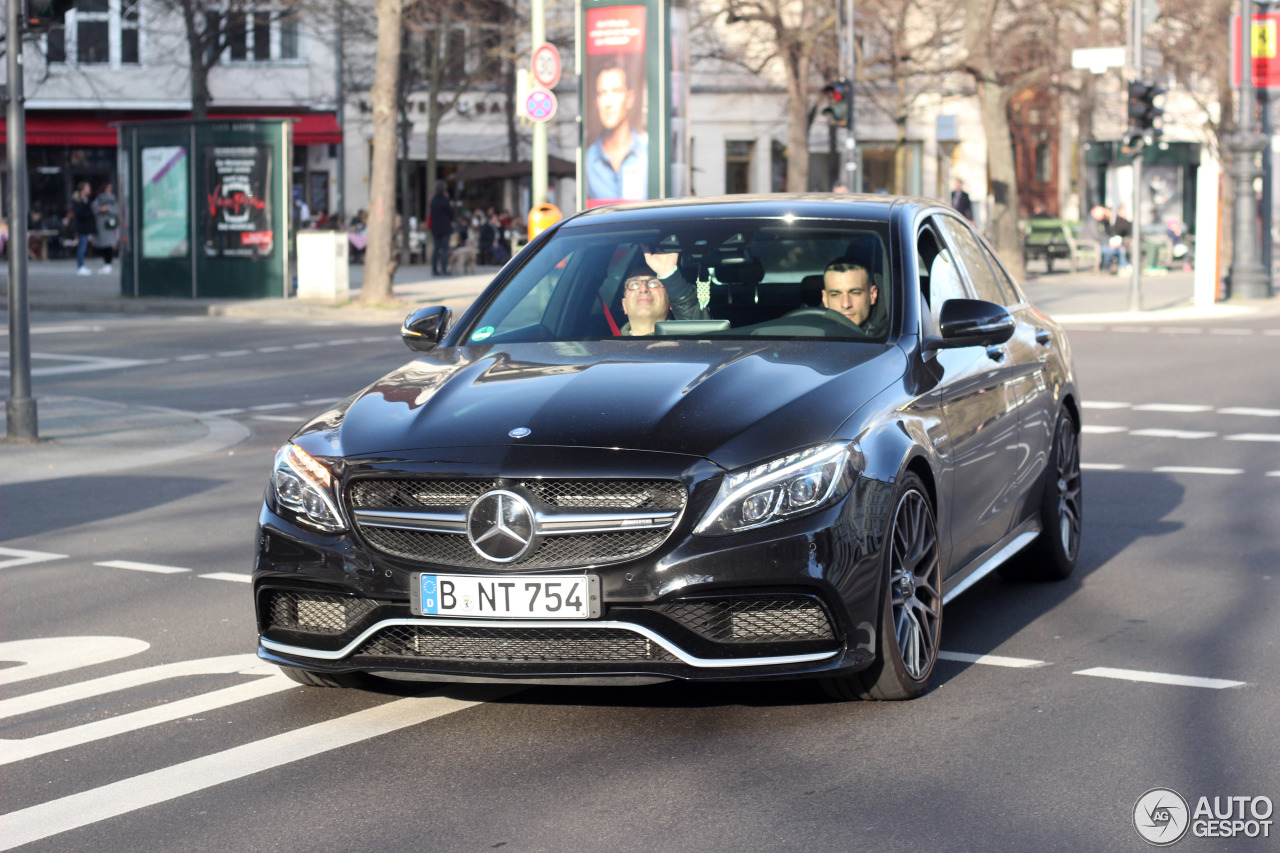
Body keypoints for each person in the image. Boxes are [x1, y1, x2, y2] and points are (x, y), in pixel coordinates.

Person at [585, 63, 648, 202]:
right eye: (602, 93)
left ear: (630, 99)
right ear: (596, 101)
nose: (608, 103)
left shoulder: (648, 155)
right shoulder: (588, 160)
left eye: (616, 91)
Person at [617, 250, 708, 336]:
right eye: (634, 285)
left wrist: (669, 276)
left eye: (654, 283)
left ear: (670, 302)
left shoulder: (686, 345)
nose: (643, 288)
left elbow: (704, 339)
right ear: (624, 305)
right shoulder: (606, 346)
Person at [820, 259, 880, 332]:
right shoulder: (809, 333)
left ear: (872, 295)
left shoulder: (891, 335)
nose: (846, 304)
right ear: (825, 299)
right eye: (835, 294)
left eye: (855, 293)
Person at [67, 183, 96, 275]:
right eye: (87, 187)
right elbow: (80, 213)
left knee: (84, 246)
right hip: (81, 227)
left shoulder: (86, 200)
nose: (89, 189)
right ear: (83, 189)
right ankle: (80, 266)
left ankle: (82, 265)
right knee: (82, 246)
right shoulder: (78, 200)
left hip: (85, 226)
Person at [1092, 205, 1131, 273]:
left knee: (1120, 248)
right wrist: (1110, 242)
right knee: (1110, 250)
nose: (1103, 215)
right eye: (1102, 214)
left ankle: (1123, 266)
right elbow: (1097, 235)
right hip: (1093, 245)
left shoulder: (1101, 222)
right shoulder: (1093, 222)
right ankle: (1105, 267)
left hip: (1102, 243)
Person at [93, 182, 119, 274]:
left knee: (109, 245)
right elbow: (94, 208)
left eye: (110, 189)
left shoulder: (113, 199)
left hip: (110, 224)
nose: (109, 190)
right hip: (101, 225)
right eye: (108, 188)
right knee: (103, 245)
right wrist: (101, 209)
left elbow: (117, 210)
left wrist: (108, 208)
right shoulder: (99, 199)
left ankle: (109, 264)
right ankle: (106, 264)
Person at [428, 185, 455, 276]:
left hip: (435, 228)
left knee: (436, 249)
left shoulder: (433, 201)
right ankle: (444, 269)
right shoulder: (445, 200)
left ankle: (434, 269)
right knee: (444, 249)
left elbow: (431, 213)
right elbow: (451, 213)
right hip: (445, 227)